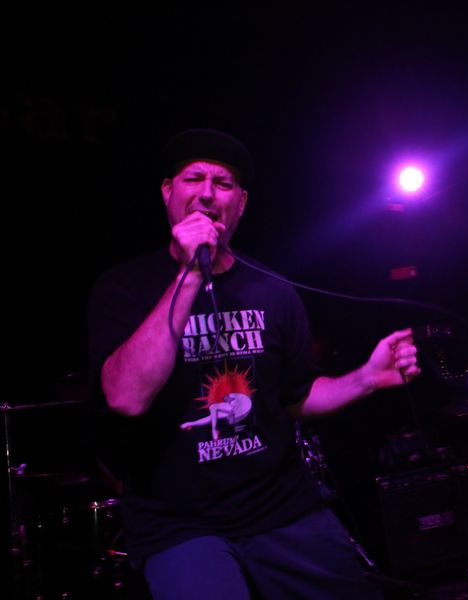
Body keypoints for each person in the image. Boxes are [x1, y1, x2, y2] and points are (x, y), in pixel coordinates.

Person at [88, 129, 420, 599]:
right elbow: (126, 398)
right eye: (193, 179)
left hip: (281, 509)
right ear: (167, 192)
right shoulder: (124, 287)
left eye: (223, 183)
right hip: (178, 524)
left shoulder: (273, 290)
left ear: (241, 203)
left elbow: (295, 398)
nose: (207, 193)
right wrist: (190, 274)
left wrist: (365, 378)